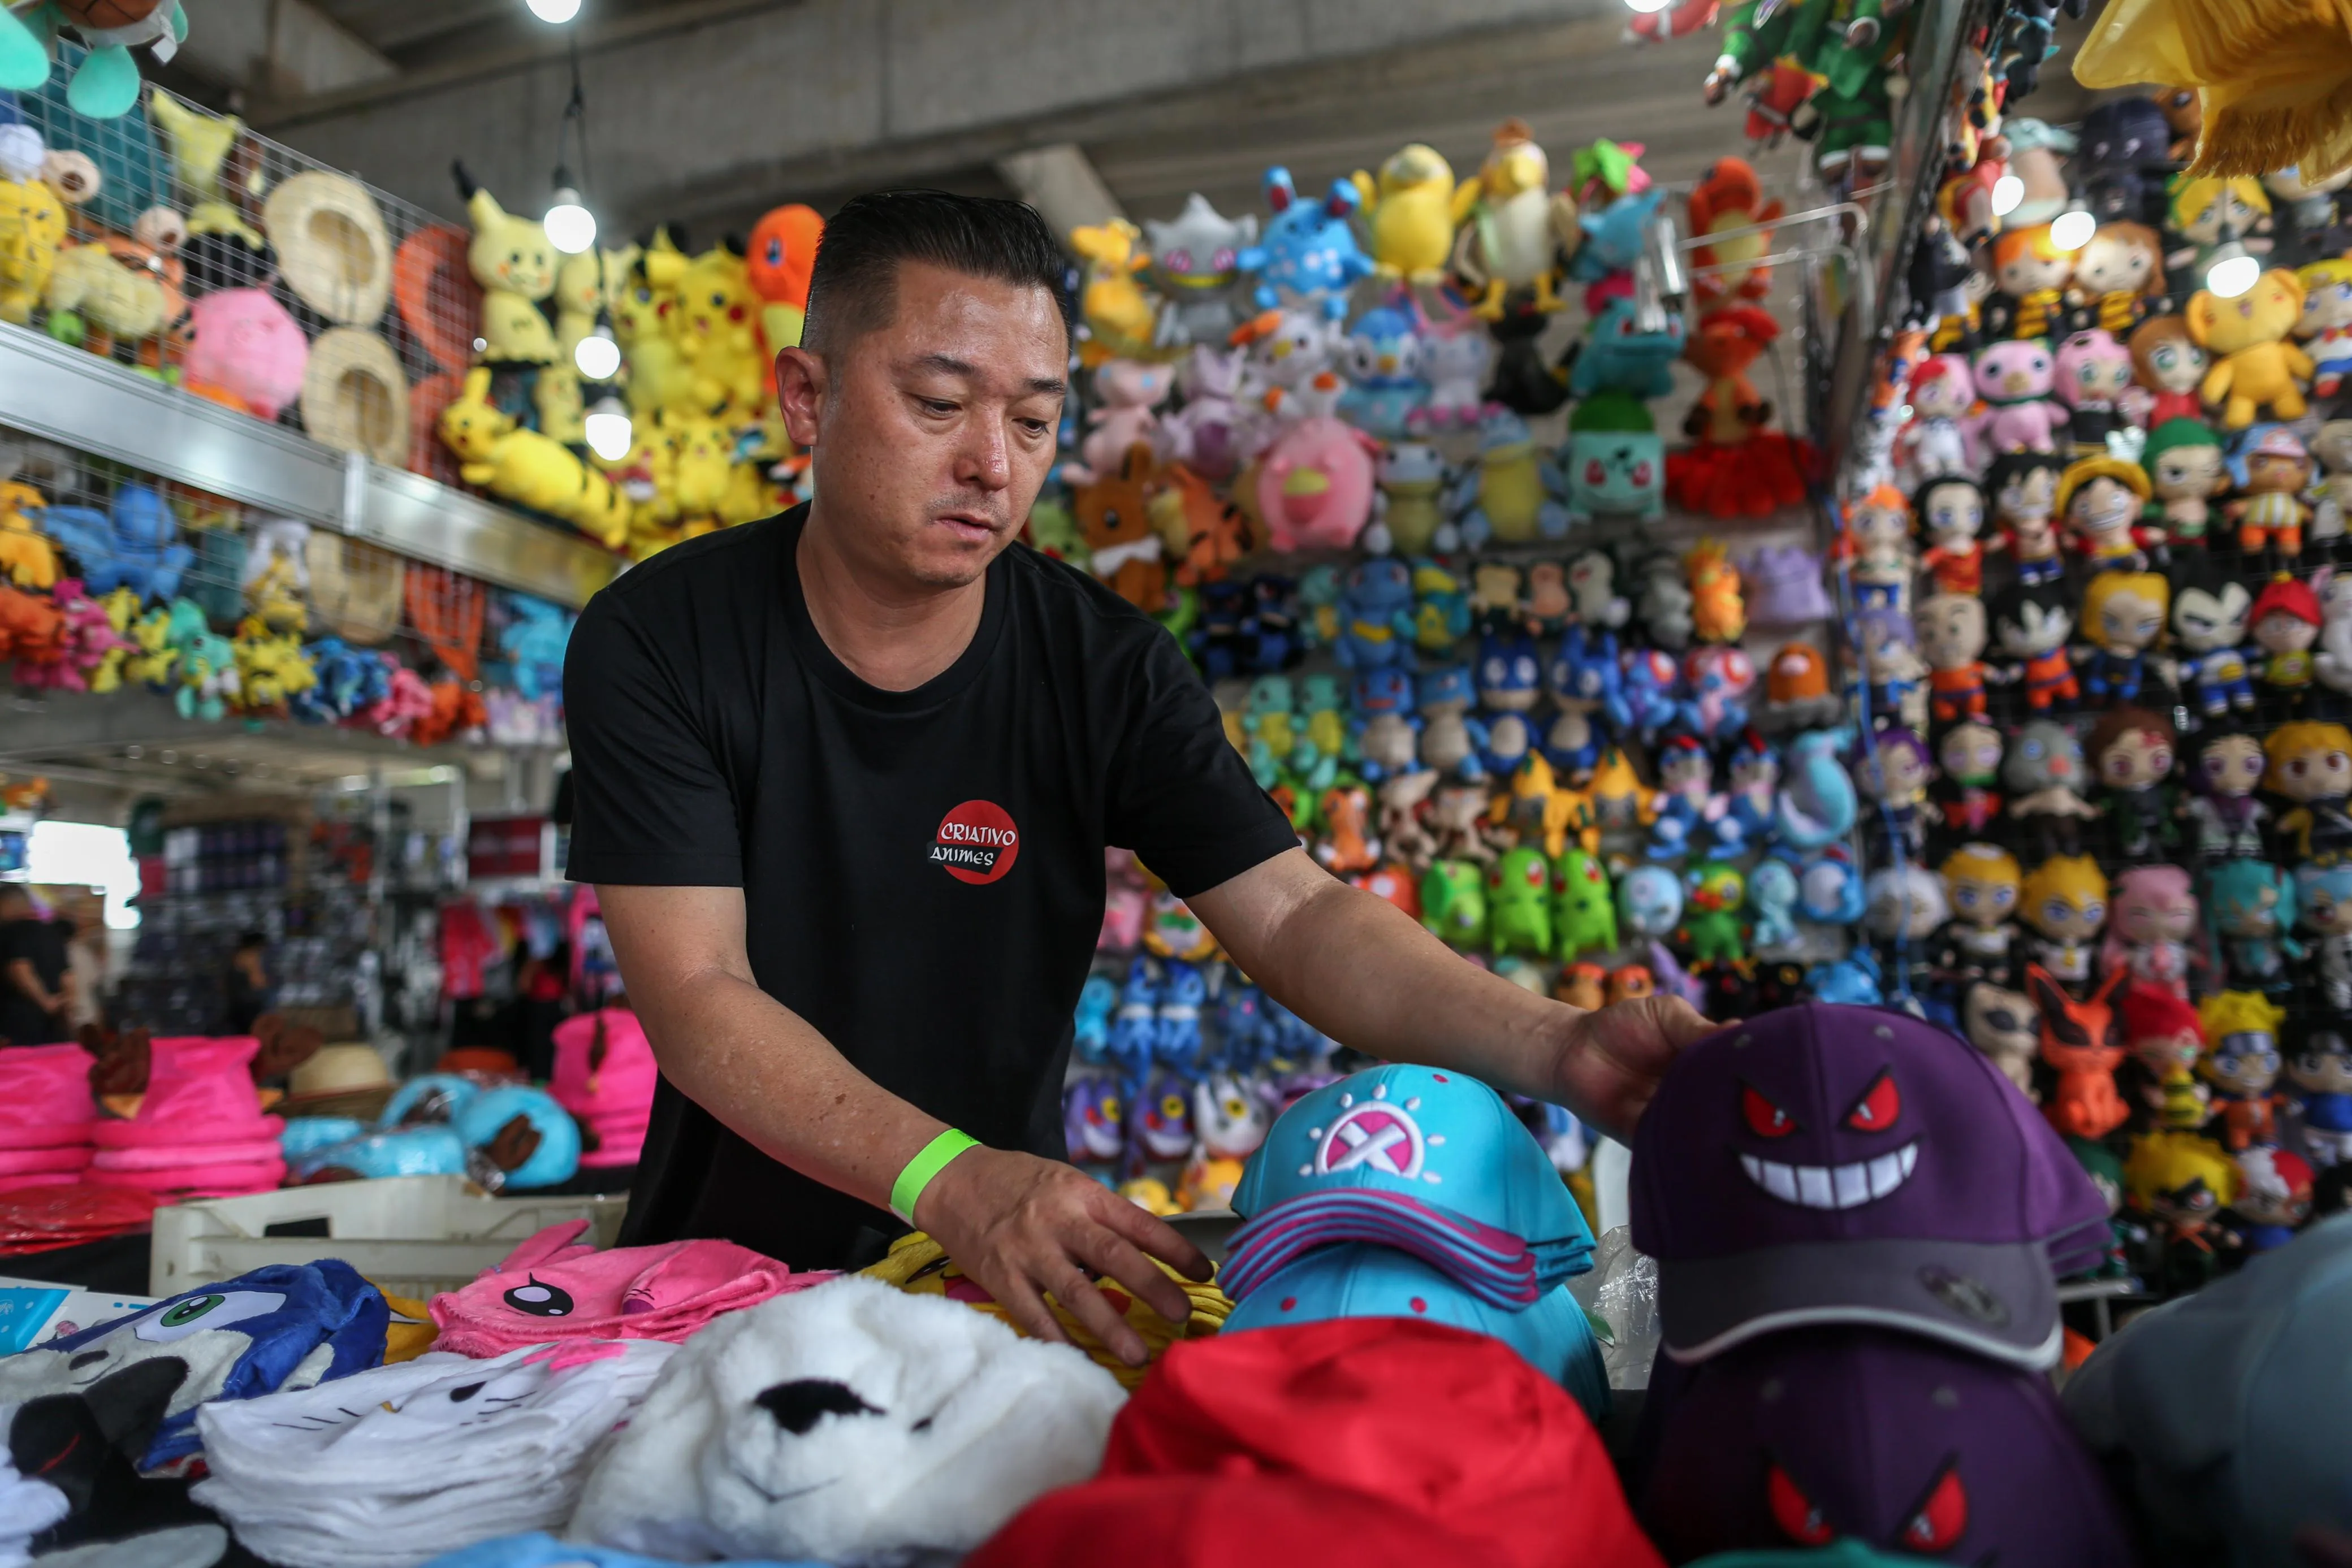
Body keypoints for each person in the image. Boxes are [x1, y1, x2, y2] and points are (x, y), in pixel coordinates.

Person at [565, 191, 1715, 1368]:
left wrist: (1558, 1046)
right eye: (939, 404)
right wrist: (947, 1176)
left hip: (991, 1293)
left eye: (1033, 421)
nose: (989, 464)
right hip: (708, 1298)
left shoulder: (1103, 666)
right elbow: (698, 989)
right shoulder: (662, 638)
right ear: (806, 395)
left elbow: (1297, 912)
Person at [0, 886, 72, 1045]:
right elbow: (67, 977)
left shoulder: (10, 932)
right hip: (52, 1026)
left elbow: (19, 969)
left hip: (16, 1024)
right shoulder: (53, 933)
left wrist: (45, 1002)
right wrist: (64, 1006)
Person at [222, 932, 270, 1035]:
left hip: (233, 1005)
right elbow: (258, 983)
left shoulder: (235, 957)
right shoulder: (251, 957)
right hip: (250, 1006)